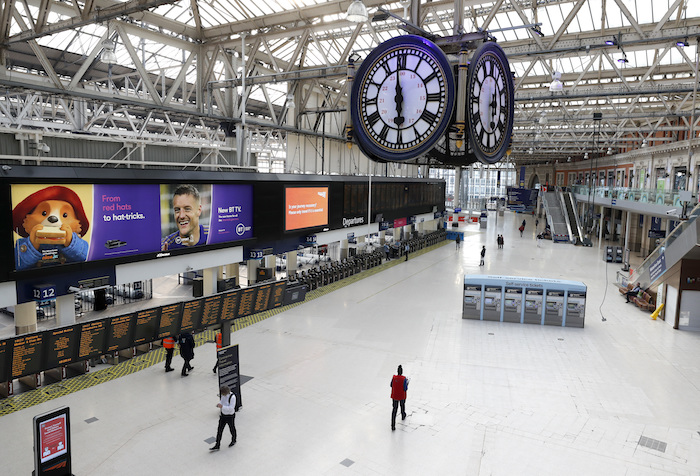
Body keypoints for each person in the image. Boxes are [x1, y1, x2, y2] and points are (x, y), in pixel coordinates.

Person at [162, 184, 209, 250]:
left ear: (199, 210)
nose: (181, 216)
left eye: (187, 209)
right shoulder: (165, 245)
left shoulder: (213, 235)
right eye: (177, 210)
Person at [209, 385, 237, 451]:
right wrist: (219, 404)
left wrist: (222, 407)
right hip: (223, 415)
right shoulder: (223, 395)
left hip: (230, 416)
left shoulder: (232, 397)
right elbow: (221, 401)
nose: (222, 395)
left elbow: (231, 408)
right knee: (219, 430)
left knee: (232, 428)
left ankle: (234, 440)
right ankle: (217, 445)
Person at [390, 365, 408, 431]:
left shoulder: (394, 378)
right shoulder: (404, 379)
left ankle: (393, 425)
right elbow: (405, 388)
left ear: (397, 371)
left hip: (394, 396)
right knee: (402, 405)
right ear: (402, 372)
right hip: (401, 396)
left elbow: (391, 385)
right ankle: (403, 415)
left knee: (394, 410)